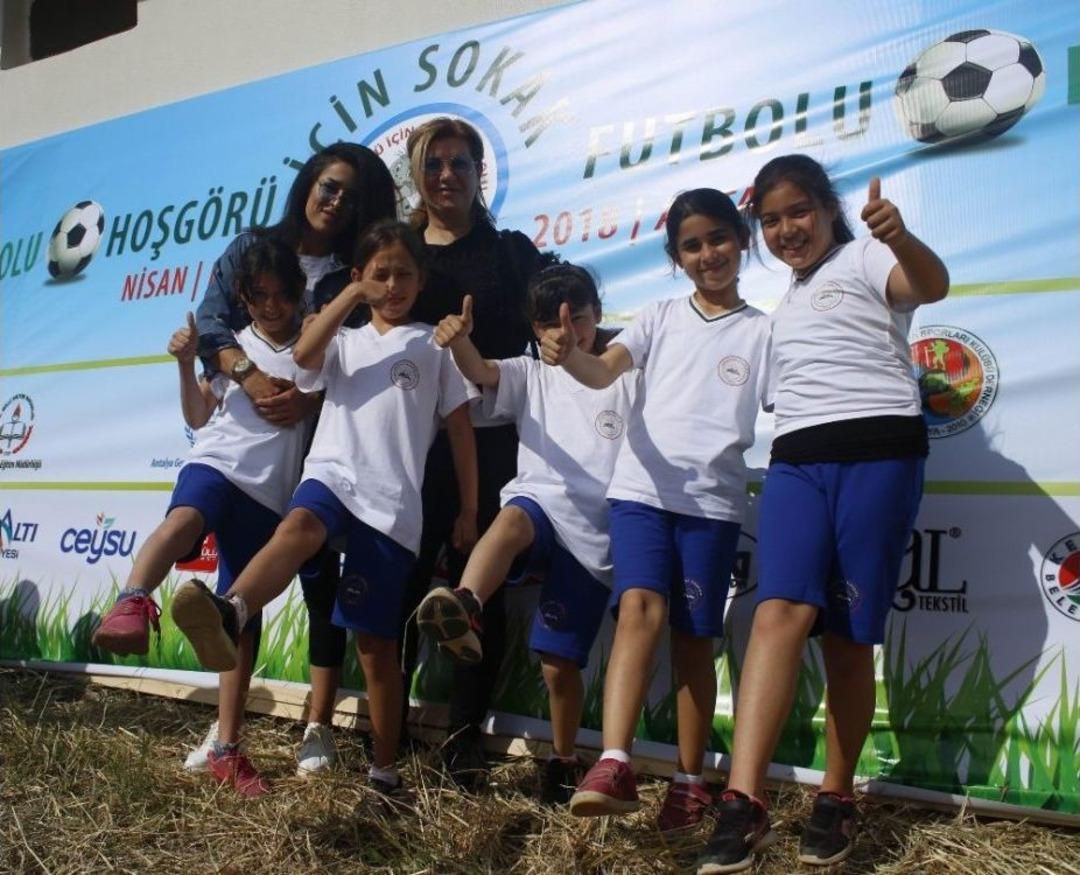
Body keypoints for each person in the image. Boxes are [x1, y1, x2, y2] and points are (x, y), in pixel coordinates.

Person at [695, 156, 948, 874]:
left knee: (846, 635)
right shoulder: (783, 309)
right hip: (797, 463)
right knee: (775, 611)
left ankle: (837, 796)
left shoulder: (868, 256)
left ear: (828, 209)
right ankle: (742, 802)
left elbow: (929, 285)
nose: (785, 230)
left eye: (797, 212)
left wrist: (898, 237)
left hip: (879, 452)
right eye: (770, 221)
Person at [168, 220, 477, 797]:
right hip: (331, 473)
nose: (392, 285)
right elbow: (306, 352)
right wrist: (353, 296)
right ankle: (229, 613)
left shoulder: (434, 346)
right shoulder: (342, 337)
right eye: (378, 274)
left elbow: (460, 434)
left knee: (376, 647)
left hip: (392, 507)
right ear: (357, 277)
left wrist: (469, 511)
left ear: (421, 278)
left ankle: (385, 771)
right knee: (300, 524)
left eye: (403, 273)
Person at [540, 189, 772, 832]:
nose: (708, 254)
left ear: (742, 240)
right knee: (641, 607)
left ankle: (690, 782)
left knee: (695, 639)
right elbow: (601, 371)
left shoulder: (763, 331)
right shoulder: (659, 316)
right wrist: (572, 356)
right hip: (639, 493)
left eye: (719, 239)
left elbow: (793, 402)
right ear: (676, 257)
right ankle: (614, 761)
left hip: (712, 507)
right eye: (692, 245)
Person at [193, 143, 398, 776]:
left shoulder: (354, 274)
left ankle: (318, 725)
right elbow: (209, 324)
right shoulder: (251, 249)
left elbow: (361, 358)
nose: (337, 203)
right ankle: (226, 735)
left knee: (320, 587)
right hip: (247, 453)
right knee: (237, 586)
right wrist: (250, 378)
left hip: (326, 449)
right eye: (329, 186)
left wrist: (308, 404)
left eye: (352, 196)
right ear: (308, 183)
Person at [92, 235, 315, 796]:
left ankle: (226, 749)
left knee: (238, 620)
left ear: (299, 294)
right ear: (242, 295)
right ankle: (133, 602)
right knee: (186, 518)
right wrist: (186, 361)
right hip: (216, 463)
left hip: (268, 498)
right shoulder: (232, 346)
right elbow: (198, 414)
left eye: (282, 296)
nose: (271, 306)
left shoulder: (315, 350)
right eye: (259, 295)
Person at [415, 260, 635, 805]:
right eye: (549, 324)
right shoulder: (531, 372)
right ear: (534, 329)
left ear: (596, 314)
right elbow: (484, 372)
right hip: (539, 507)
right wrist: (459, 342)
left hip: (594, 537)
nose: (563, 333)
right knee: (512, 513)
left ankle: (563, 761)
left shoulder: (625, 370)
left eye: (575, 318)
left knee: (557, 665)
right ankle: (465, 603)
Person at [398, 117, 541, 786]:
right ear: (416, 175)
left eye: (460, 163)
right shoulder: (396, 253)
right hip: (412, 444)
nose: (447, 175)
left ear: (478, 173)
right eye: (434, 164)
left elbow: (562, 322)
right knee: (402, 581)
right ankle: (387, 734)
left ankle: (461, 740)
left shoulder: (511, 252)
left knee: (474, 591)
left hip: (494, 441)